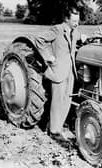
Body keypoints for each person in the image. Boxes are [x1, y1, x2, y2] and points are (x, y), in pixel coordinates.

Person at [34, 4, 87, 143]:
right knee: (57, 101)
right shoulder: (57, 29)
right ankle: (54, 132)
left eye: (78, 20)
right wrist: (48, 56)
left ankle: (57, 126)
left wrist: (83, 38)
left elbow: (74, 44)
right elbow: (39, 39)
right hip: (58, 69)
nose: (77, 23)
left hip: (70, 71)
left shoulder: (75, 31)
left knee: (67, 100)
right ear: (67, 19)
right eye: (74, 21)